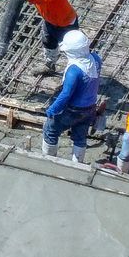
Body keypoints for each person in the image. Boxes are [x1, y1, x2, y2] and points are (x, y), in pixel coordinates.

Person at [42, 30, 101, 161]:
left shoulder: (73, 70)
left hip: (73, 110)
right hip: (90, 108)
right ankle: (77, 164)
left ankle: (48, 161)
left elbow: (66, 94)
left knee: (50, 129)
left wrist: (52, 110)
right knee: (80, 136)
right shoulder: (95, 59)